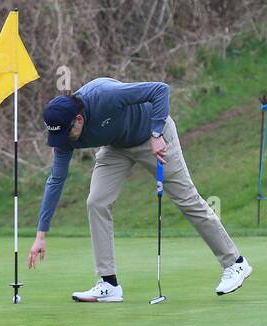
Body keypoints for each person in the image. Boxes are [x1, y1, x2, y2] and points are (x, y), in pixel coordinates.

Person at [27, 77, 252, 302]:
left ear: (78, 119)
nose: (62, 140)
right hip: (116, 147)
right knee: (96, 202)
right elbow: (56, 180)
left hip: (152, 137)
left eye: (65, 133)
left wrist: (156, 134)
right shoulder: (64, 135)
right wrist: (41, 234)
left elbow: (160, 90)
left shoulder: (106, 95)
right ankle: (108, 283)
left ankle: (235, 263)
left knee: (187, 200)